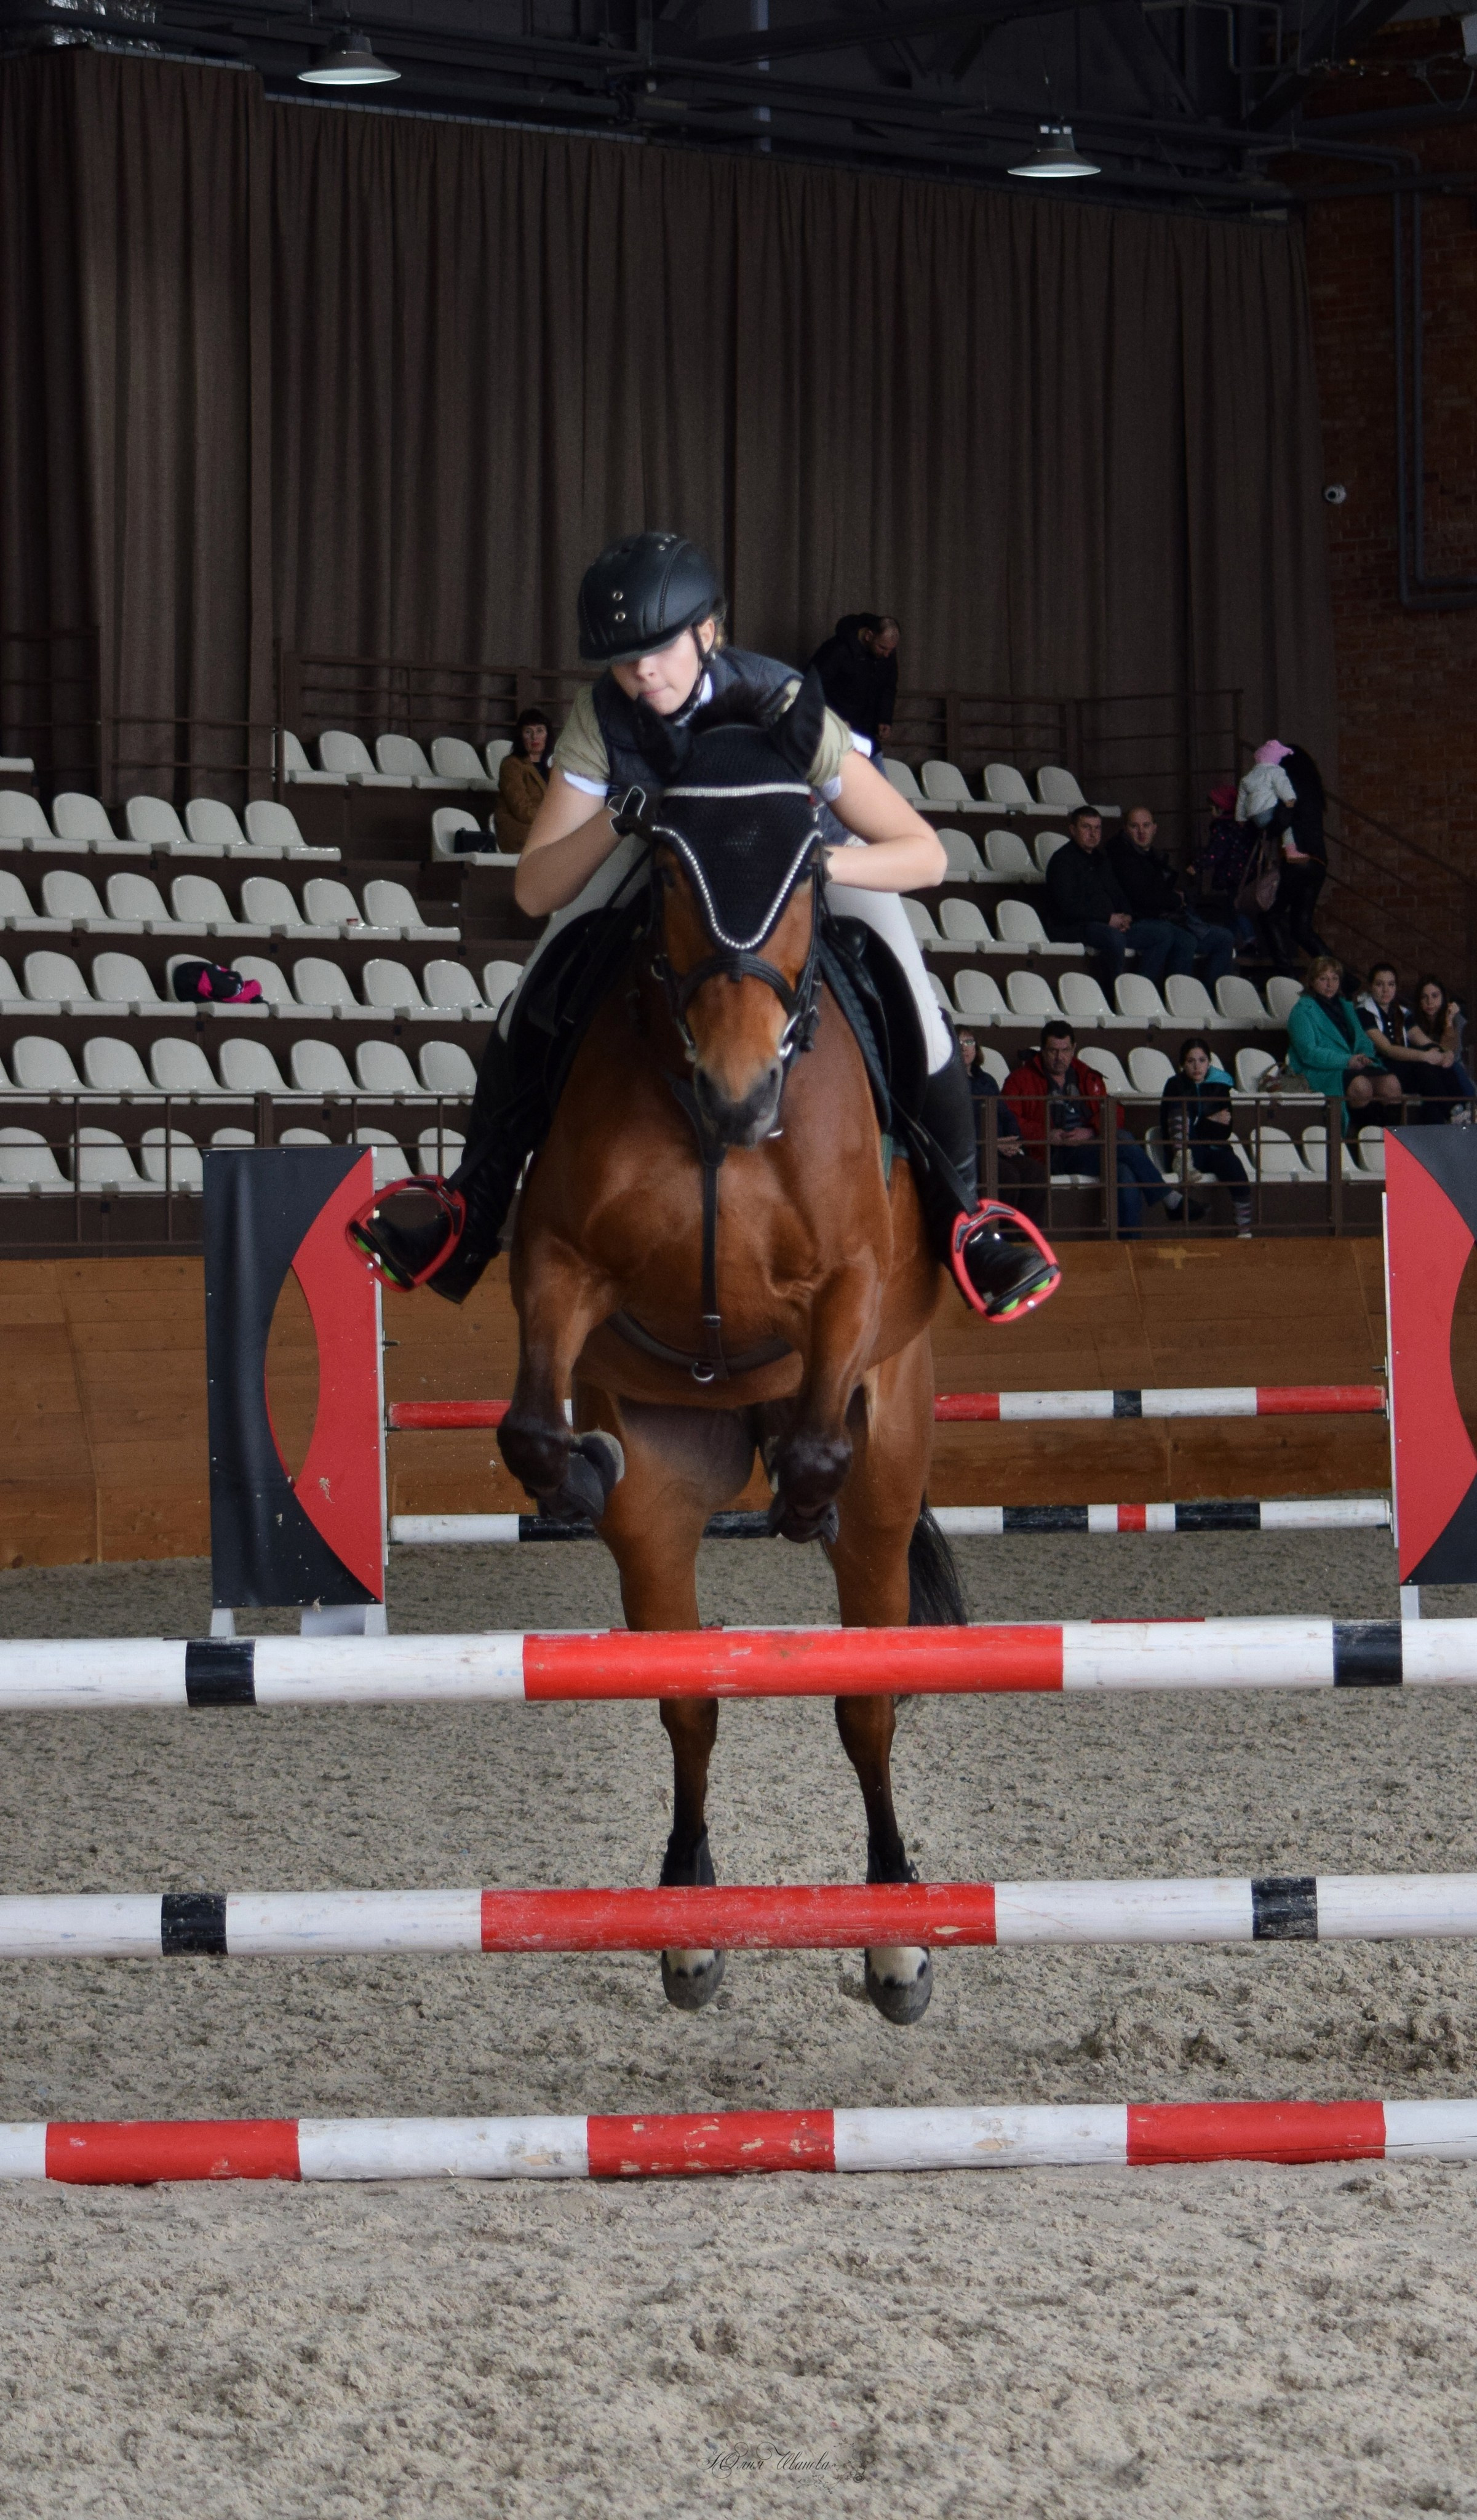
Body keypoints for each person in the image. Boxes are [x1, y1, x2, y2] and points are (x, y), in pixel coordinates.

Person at [351, 532, 1051, 1318]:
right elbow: (535, 890)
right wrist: (618, 816)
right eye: (621, 658)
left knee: (914, 1002)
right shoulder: (602, 714)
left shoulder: (784, 702)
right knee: (539, 981)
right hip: (668, 860)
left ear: (707, 632)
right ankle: (469, 1210)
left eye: (658, 649)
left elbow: (923, 856)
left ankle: (967, 1220)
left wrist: (816, 869)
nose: (642, 671)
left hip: (811, 863)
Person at [1003, 1021, 1201, 1235]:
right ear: (1042, 1050)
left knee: (1124, 1172)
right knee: (1123, 1139)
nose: (1060, 1058)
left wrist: (1091, 1131)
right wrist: (1048, 1135)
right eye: (1053, 1051)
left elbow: (1114, 1112)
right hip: (1053, 1153)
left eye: (1065, 1051)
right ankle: (1167, 1198)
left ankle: (1130, 1247)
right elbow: (1007, 1120)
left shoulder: (1086, 1074)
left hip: (1089, 1146)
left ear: (1074, 1049)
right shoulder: (1019, 1080)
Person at [1043, 806, 1195, 986]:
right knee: (1112, 937)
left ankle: (1138, 990)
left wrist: (1127, 915)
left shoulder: (1101, 859)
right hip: (1076, 926)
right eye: (1086, 827)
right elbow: (1068, 907)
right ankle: (1113, 995)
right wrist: (1108, 919)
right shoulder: (1062, 861)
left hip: (1109, 923)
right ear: (1073, 830)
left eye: (1097, 828)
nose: (1093, 833)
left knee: (1163, 933)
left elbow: (1118, 893)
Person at [1109, 804, 1236, 991]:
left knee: (1225, 938)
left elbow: (1160, 893)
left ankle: (1211, 1000)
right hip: (1142, 920)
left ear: (1155, 828)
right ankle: (1178, 998)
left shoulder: (1153, 856)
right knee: (1184, 939)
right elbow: (1142, 899)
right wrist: (1175, 899)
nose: (1141, 832)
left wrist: (1176, 898)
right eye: (1135, 826)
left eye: (1146, 825)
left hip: (1169, 917)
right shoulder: (1121, 857)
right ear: (1126, 829)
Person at [1285, 954, 1403, 1122]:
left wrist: (1365, 1057)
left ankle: (1390, 1140)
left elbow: (1363, 1041)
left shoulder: (1346, 1006)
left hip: (1352, 1064)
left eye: (1334, 979)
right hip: (1320, 1070)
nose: (1330, 984)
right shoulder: (1302, 1011)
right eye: (1323, 979)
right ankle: (1366, 1140)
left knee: (1392, 1084)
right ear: (1311, 981)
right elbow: (1309, 1053)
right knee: (1361, 1087)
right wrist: (1348, 1061)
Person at [1160, 1037, 1252, 1235]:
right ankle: (1182, 1159)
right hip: (1186, 1149)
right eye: (1191, 1061)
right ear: (1182, 1064)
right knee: (1181, 1111)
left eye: (1202, 1060)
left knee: (1236, 1169)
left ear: (1209, 1062)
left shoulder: (1220, 1086)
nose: (1197, 1066)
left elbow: (1224, 1131)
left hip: (1213, 1148)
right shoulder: (1175, 1085)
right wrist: (1209, 1120)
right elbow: (1173, 1121)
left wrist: (1197, 1124)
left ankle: (1245, 1231)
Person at [959, 1030, 1045, 1215]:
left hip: (1000, 1148)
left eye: (969, 1042)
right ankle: (1005, 1233)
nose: (964, 1048)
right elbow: (959, 1126)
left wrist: (1015, 1140)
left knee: (1036, 1173)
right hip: (975, 1151)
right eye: (959, 1042)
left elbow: (1006, 1115)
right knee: (1008, 1176)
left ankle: (1026, 1234)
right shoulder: (951, 1083)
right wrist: (993, 1145)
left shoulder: (987, 1081)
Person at [807, 613, 899, 752]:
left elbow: (888, 688)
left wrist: (884, 718)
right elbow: (813, 686)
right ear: (868, 636)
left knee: (877, 773)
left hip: (867, 734)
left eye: (891, 650)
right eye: (882, 648)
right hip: (835, 732)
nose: (887, 655)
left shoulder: (886, 655)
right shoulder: (836, 649)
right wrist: (836, 720)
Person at [1276, 743, 1329, 955]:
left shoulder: (1289, 787)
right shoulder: (1313, 789)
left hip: (1298, 861)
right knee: (1302, 928)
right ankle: (1343, 980)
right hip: (1318, 861)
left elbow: (1282, 821)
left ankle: (1285, 973)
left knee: (1271, 916)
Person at [495, 709, 553, 852]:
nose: (534, 737)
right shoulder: (511, 765)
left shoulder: (555, 766)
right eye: (528, 732)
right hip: (520, 828)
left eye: (540, 731)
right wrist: (551, 821)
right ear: (520, 736)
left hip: (545, 828)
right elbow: (521, 809)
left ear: (548, 735)